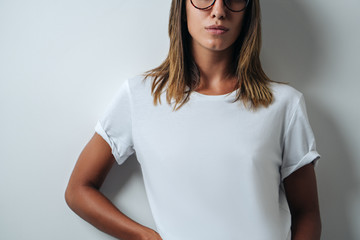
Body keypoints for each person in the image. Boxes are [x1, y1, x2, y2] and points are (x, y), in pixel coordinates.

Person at [65, 0, 322, 239]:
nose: (219, 10)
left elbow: (307, 213)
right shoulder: (140, 97)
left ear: (249, 11)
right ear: (182, 7)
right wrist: (145, 237)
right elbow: (78, 190)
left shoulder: (284, 104)